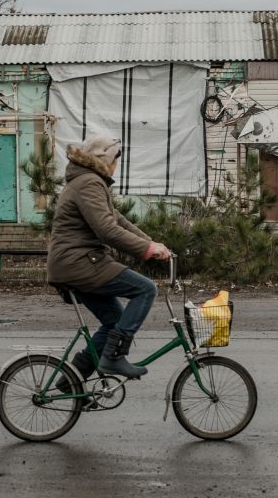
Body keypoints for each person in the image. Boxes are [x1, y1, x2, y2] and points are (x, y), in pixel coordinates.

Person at [47, 135, 172, 383]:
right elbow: (107, 230)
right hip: (79, 262)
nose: (117, 165)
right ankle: (114, 356)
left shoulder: (88, 182)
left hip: (77, 262)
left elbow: (118, 220)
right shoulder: (89, 183)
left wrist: (153, 244)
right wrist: (146, 250)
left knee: (114, 321)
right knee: (145, 289)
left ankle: (70, 381)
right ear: (104, 161)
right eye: (115, 159)